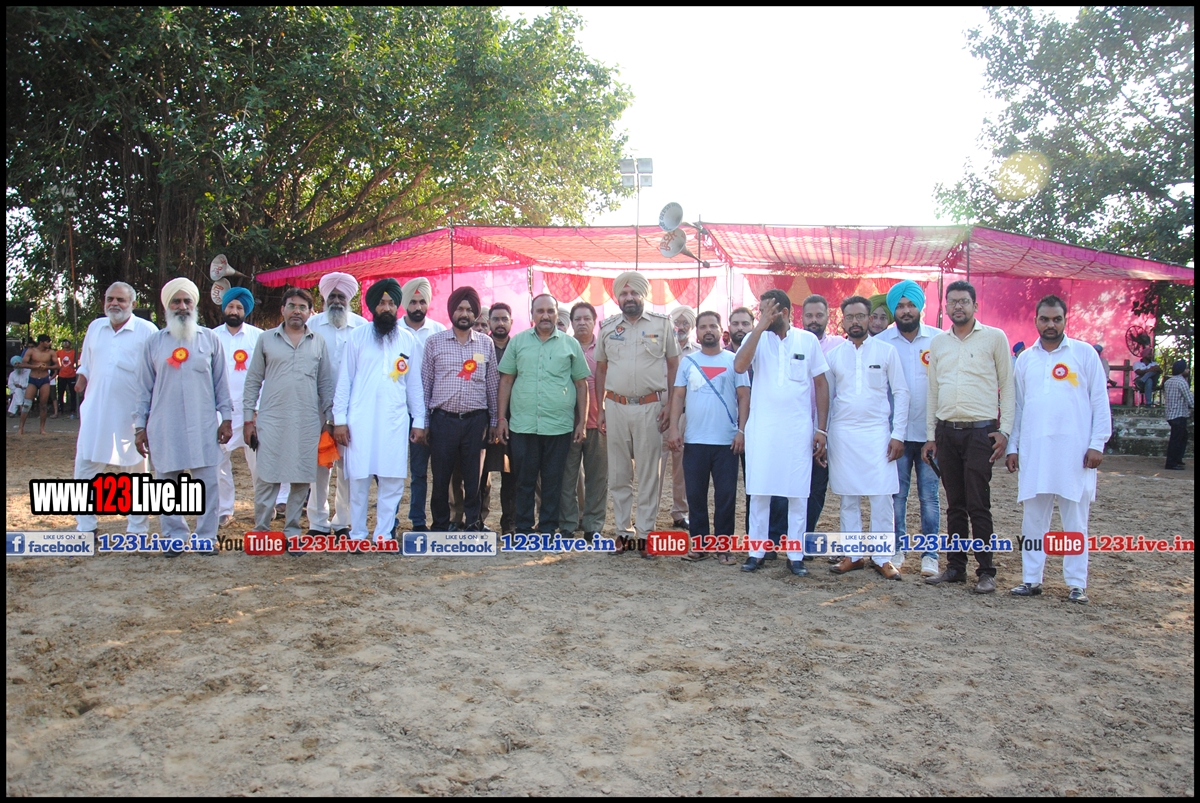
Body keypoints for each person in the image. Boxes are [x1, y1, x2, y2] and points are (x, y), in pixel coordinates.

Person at [1006, 295, 1110, 603]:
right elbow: (1018, 407)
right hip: (1035, 452)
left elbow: (1099, 401)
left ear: (1065, 320)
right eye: (1045, 319)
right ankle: (1031, 579)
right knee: (1033, 520)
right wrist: (1013, 446)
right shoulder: (1025, 359)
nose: (1050, 325)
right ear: (1036, 321)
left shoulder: (1084, 353)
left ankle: (1076, 583)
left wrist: (1097, 443)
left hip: (1074, 453)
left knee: (1075, 521)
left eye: (1056, 319)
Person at [923, 280, 1015, 594]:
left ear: (975, 305)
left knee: (978, 504)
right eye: (953, 302)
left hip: (980, 433)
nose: (958, 306)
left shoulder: (995, 338)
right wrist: (930, 436)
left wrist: (1005, 431)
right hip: (946, 432)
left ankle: (986, 571)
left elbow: (1008, 386)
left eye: (964, 301)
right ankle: (955, 568)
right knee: (954, 505)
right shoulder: (939, 343)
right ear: (946, 307)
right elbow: (933, 391)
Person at [133, 278, 232, 552]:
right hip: (165, 424)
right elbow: (143, 389)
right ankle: (174, 536)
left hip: (203, 425)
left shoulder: (210, 339)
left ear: (194, 305)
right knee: (167, 483)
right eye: (176, 301)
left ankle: (206, 537)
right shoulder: (154, 342)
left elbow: (221, 384)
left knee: (208, 483)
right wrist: (140, 427)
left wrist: (226, 419)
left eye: (187, 301)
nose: (182, 306)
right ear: (167, 306)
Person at [736, 290, 830, 575]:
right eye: (761, 310)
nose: (764, 314)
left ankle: (795, 555)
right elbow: (739, 366)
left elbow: (821, 384)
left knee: (798, 494)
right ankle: (756, 552)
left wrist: (821, 428)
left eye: (770, 310)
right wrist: (760, 327)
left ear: (786, 312)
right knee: (759, 491)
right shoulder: (756, 338)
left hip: (797, 430)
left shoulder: (807, 340)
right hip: (762, 430)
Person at [334, 278, 427, 543]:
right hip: (360, 421)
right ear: (373, 307)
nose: (386, 308)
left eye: (391, 303)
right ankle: (358, 534)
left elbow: (414, 384)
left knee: (392, 480)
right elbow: (344, 380)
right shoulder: (357, 337)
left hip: (394, 421)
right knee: (359, 480)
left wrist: (419, 420)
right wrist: (339, 420)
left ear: (397, 307)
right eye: (382, 303)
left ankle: (384, 535)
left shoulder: (408, 340)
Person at [595, 271, 681, 555]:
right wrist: (601, 408)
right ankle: (623, 532)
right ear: (617, 298)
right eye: (623, 293)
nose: (629, 298)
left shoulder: (662, 324)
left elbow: (673, 365)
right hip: (615, 407)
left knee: (648, 474)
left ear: (644, 295)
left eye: (634, 293)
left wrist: (670, 404)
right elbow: (601, 369)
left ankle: (645, 534)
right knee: (618, 473)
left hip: (650, 407)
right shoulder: (607, 327)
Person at [825, 296, 909, 580]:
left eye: (860, 316)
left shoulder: (886, 351)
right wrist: (824, 434)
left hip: (878, 433)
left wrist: (898, 434)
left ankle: (883, 557)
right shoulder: (835, 355)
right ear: (843, 321)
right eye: (850, 317)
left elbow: (901, 393)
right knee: (848, 497)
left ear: (870, 318)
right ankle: (853, 555)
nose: (855, 322)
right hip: (843, 433)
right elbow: (827, 398)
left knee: (881, 496)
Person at [242, 287, 335, 540]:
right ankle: (262, 531)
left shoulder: (318, 342)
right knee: (267, 476)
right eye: (292, 306)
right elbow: (253, 381)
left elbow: (325, 384)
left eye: (302, 307)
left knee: (301, 478)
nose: (297, 311)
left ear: (310, 312)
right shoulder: (266, 339)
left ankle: (292, 532)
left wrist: (329, 420)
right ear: (282, 309)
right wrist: (248, 419)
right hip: (271, 421)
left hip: (307, 421)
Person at [498, 294, 589, 535]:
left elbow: (581, 385)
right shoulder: (518, 342)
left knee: (552, 481)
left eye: (550, 311)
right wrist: (501, 418)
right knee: (524, 481)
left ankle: (548, 528)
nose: (545, 315)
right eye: (540, 311)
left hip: (559, 426)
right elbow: (506, 381)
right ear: (532, 315)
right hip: (523, 425)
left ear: (557, 314)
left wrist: (581, 422)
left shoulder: (570, 345)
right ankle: (524, 528)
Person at [73, 282, 158, 535]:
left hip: (130, 415)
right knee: (85, 468)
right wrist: (81, 380)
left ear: (133, 304)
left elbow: (157, 373)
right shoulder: (95, 327)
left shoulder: (147, 331)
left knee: (136, 473)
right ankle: (86, 527)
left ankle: (137, 529)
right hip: (95, 411)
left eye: (120, 300)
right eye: (110, 298)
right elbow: (86, 364)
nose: (114, 304)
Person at [668, 310, 749, 564]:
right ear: (698, 331)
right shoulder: (688, 362)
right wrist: (673, 428)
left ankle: (724, 547)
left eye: (713, 326)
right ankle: (700, 544)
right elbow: (678, 396)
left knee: (725, 497)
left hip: (726, 442)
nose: (708, 330)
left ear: (720, 329)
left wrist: (741, 431)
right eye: (703, 327)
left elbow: (744, 397)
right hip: (694, 441)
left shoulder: (735, 361)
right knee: (695, 496)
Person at [878, 280, 942, 577]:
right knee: (897, 495)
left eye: (911, 305)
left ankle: (930, 555)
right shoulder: (882, 342)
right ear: (894, 310)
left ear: (921, 308)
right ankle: (897, 549)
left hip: (931, 435)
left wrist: (937, 432)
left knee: (929, 497)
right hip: (896, 435)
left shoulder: (939, 340)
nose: (906, 311)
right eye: (901, 306)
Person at [422, 286, 499, 532]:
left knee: (474, 478)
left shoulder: (485, 344)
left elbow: (492, 385)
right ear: (451, 312)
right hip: (443, 421)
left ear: (476, 314)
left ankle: (474, 524)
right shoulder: (434, 343)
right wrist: (424, 424)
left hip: (476, 422)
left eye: (469, 309)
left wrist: (494, 421)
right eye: (459, 309)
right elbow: (425, 385)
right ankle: (440, 525)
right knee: (441, 478)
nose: (464, 314)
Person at [305, 272, 366, 536]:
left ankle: (343, 521)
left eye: (341, 296)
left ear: (349, 299)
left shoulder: (362, 327)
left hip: (353, 408)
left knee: (347, 467)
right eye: (332, 296)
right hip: (316, 406)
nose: (337, 301)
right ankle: (318, 523)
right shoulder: (312, 325)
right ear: (324, 299)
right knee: (319, 465)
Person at [211, 286, 263, 528]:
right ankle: (224, 510)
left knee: (259, 463)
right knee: (219, 463)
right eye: (230, 306)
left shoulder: (258, 337)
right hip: (220, 412)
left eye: (239, 307)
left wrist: (257, 409)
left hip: (251, 411)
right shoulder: (211, 336)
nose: (234, 311)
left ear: (246, 311)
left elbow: (264, 375)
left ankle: (264, 508)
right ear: (224, 308)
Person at [801, 295, 848, 560]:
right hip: (795, 427)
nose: (814, 320)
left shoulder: (839, 346)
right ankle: (785, 537)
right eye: (809, 315)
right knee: (791, 487)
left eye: (819, 315)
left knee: (817, 487)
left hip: (826, 428)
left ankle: (805, 538)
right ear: (801, 317)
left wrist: (825, 431)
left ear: (828, 317)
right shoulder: (794, 342)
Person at [400, 276, 446, 531]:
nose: (418, 307)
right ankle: (390, 520)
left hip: (429, 412)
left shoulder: (438, 331)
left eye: (422, 302)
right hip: (398, 410)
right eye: (413, 302)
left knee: (422, 470)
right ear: (405, 304)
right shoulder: (394, 330)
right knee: (392, 469)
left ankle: (418, 521)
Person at [559, 301, 608, 538]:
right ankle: (568, 524)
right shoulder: (563, 347)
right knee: (566, 477)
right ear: (571, 323)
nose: (582, 323)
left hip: (599, 422)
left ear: (594, 321)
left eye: (586, 318)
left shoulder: (605, 349)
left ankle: (593, 525)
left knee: (597, 478)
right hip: (567, 424)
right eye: (577, 319)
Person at [479, 302, 516, 533]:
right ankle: (477, 520)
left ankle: (510, 523)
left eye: (504, 319)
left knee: (512, 475)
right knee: (480, 474)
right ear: (489, 322)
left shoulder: (519, 346)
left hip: (514, 420)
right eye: (495, 319)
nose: (500, 323)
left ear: (511, 322)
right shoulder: (481, 346)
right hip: (484, 420)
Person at [662, 305, 699, 530]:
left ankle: (680, 512)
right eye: (677, 322)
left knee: (682, 468)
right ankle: (649, 513)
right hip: (660, 414)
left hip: (686, 415)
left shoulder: (698, 352)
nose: (681, 327)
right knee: (655, 467)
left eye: (686, 323)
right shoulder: (659, 348)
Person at [17, 333, 56, 435]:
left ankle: (42, 429)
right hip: (33, 378)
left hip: (44, 379)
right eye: (47, 342)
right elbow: (23, 364)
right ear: (41, 342)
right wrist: (35, 366)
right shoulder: (31, 351)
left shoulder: (51, 352)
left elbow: (57, 366)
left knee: (43, 405)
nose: (49, 343)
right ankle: (21, 428)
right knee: (27, 404)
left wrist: (46, 367)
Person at [1163, 361, 1193, 470]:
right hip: (1179, 414)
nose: (1188, 370)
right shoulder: (1182, 382)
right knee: (1176, 439)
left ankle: (1177, 459)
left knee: (1182, 437)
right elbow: (1190, 399)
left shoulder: (1168, 382)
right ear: (1182, 370)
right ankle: (1171, 463)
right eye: (1186, 368)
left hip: (1170, 413)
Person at [56, 338, 78, 419]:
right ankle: (60, 409)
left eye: (67, 342)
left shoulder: (74, 352)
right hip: (61, 375)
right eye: (64, 342)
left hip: (71, 375)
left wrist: (75, 367)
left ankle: (73, 410)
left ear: (70, 344)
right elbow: (53, 358)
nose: (65, 344)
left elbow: (80, 360)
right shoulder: (59, 352)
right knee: (60, 393)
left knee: (73, 393)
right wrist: (58, 367)